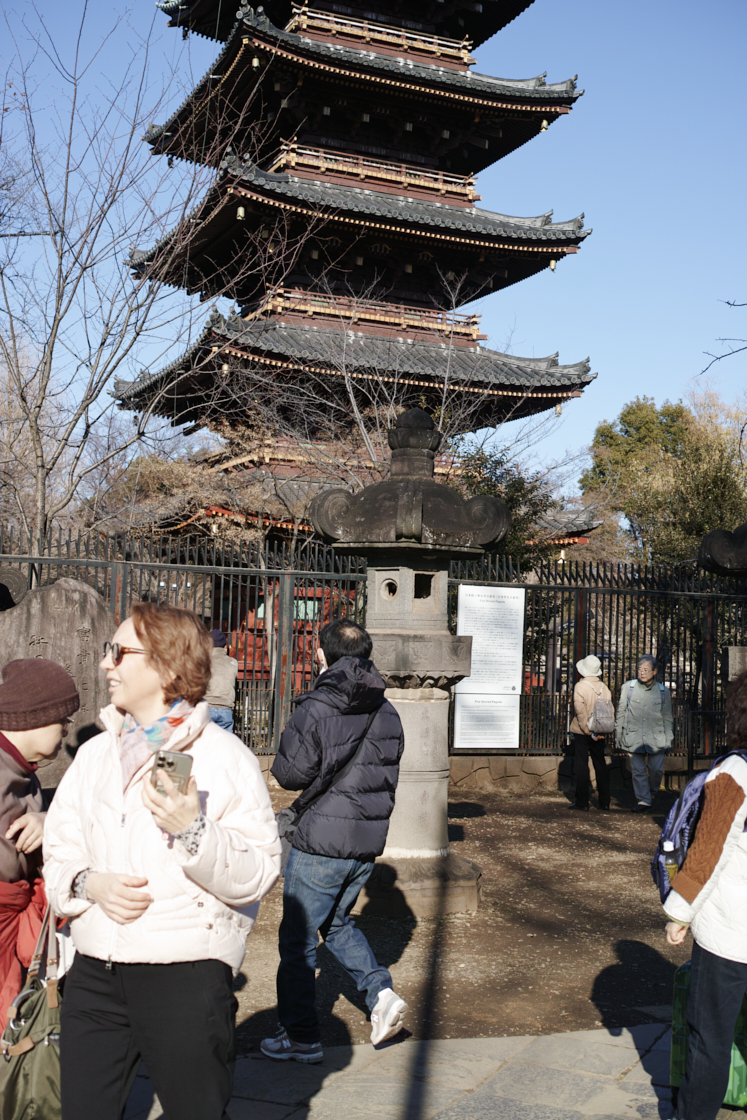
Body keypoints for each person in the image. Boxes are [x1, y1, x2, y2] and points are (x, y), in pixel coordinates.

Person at [43, 601, 281, 1120]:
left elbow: (257, 873)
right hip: (95, 970)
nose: (106, 663)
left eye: (120, 652)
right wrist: (89, 885)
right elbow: (59, 849)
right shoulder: (94, 755)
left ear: (168, 667)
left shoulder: (225, 758)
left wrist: (192, 830)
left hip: (185, 974)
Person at [261, 618, 406, 1064]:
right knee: (338, 923)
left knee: (298, 942)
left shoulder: (319, 704)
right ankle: (381, 994)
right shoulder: (387, 709)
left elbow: (289, 774)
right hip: (364, 842)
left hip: (320, 842)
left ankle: (300, 1037)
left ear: (322, 655)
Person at [663, 669, 747, 1120]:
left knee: (709, 1040)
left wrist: (680, 911)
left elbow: (709, 850)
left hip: (733, 931)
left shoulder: (735, 772)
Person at [0, 659, 79, 1029]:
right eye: (63, 718)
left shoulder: (24, 772)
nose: (67, 727)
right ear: (37, 716)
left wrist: (49, 823)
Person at [615, 654, 673, 812]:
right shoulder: (628, 687)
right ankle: (643, 801)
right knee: (638, 771)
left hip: (657, 738)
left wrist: (669, 738)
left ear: (654, 671)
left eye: (646, 670)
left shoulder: (663, 691)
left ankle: (652, 791)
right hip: (634, 737)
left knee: (656, 770)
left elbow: (667, 716)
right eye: (640, 669)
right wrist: (618, 733)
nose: (642, 672)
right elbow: (621, 711)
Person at [569, 654, 612, 811]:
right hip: (600, 732)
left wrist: (589, 731)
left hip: (582, 732)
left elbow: (581, 713)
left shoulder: (580, 687)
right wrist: (600, 732)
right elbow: (609, 712)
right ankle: (605, 801)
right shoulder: (604, 688)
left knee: (581, 764)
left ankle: (582, 802)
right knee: (600, 764)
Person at [206, 628, 239, 731]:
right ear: (225, 646)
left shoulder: (203, 662)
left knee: (205, 743)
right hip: (226, 708)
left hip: (206, 707)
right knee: (224, 744)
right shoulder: (233, 663)